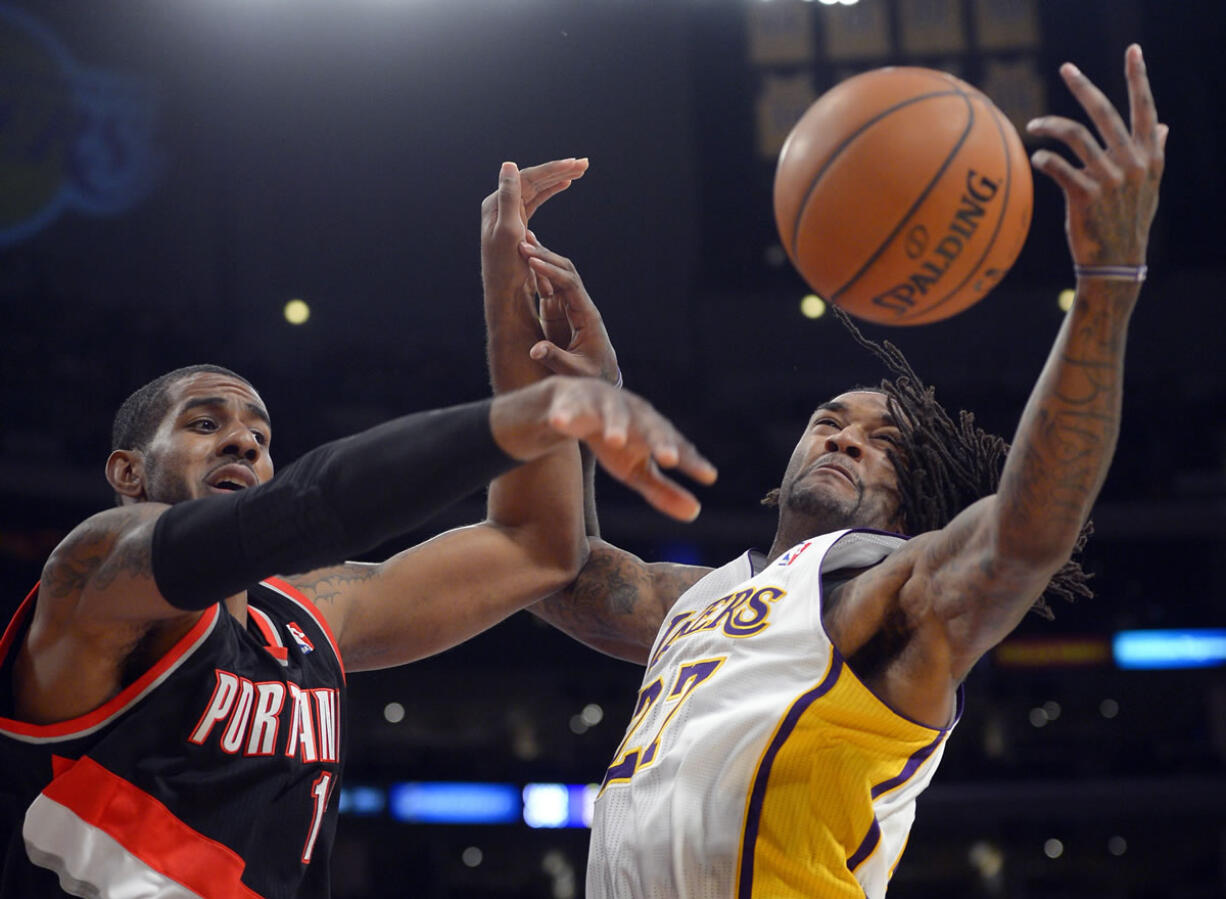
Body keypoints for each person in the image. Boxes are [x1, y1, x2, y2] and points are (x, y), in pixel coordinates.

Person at [490, 46, 1165, 897]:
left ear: (911, 501)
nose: (845, 439)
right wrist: (569, 393)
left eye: (882, 440)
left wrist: (1107, 281)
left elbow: (1023, 535)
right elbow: (545, 564)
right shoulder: (689, 601)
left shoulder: (890, 592)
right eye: (829, 422)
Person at [0, 160, 717, 898]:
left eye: (259, 432)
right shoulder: (91, 574)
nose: (244, 442)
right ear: (126, 472)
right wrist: (529, 418)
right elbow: (307, 507)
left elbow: (538, 549)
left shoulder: (312, 619)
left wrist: (525, 331)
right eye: (205, 422)